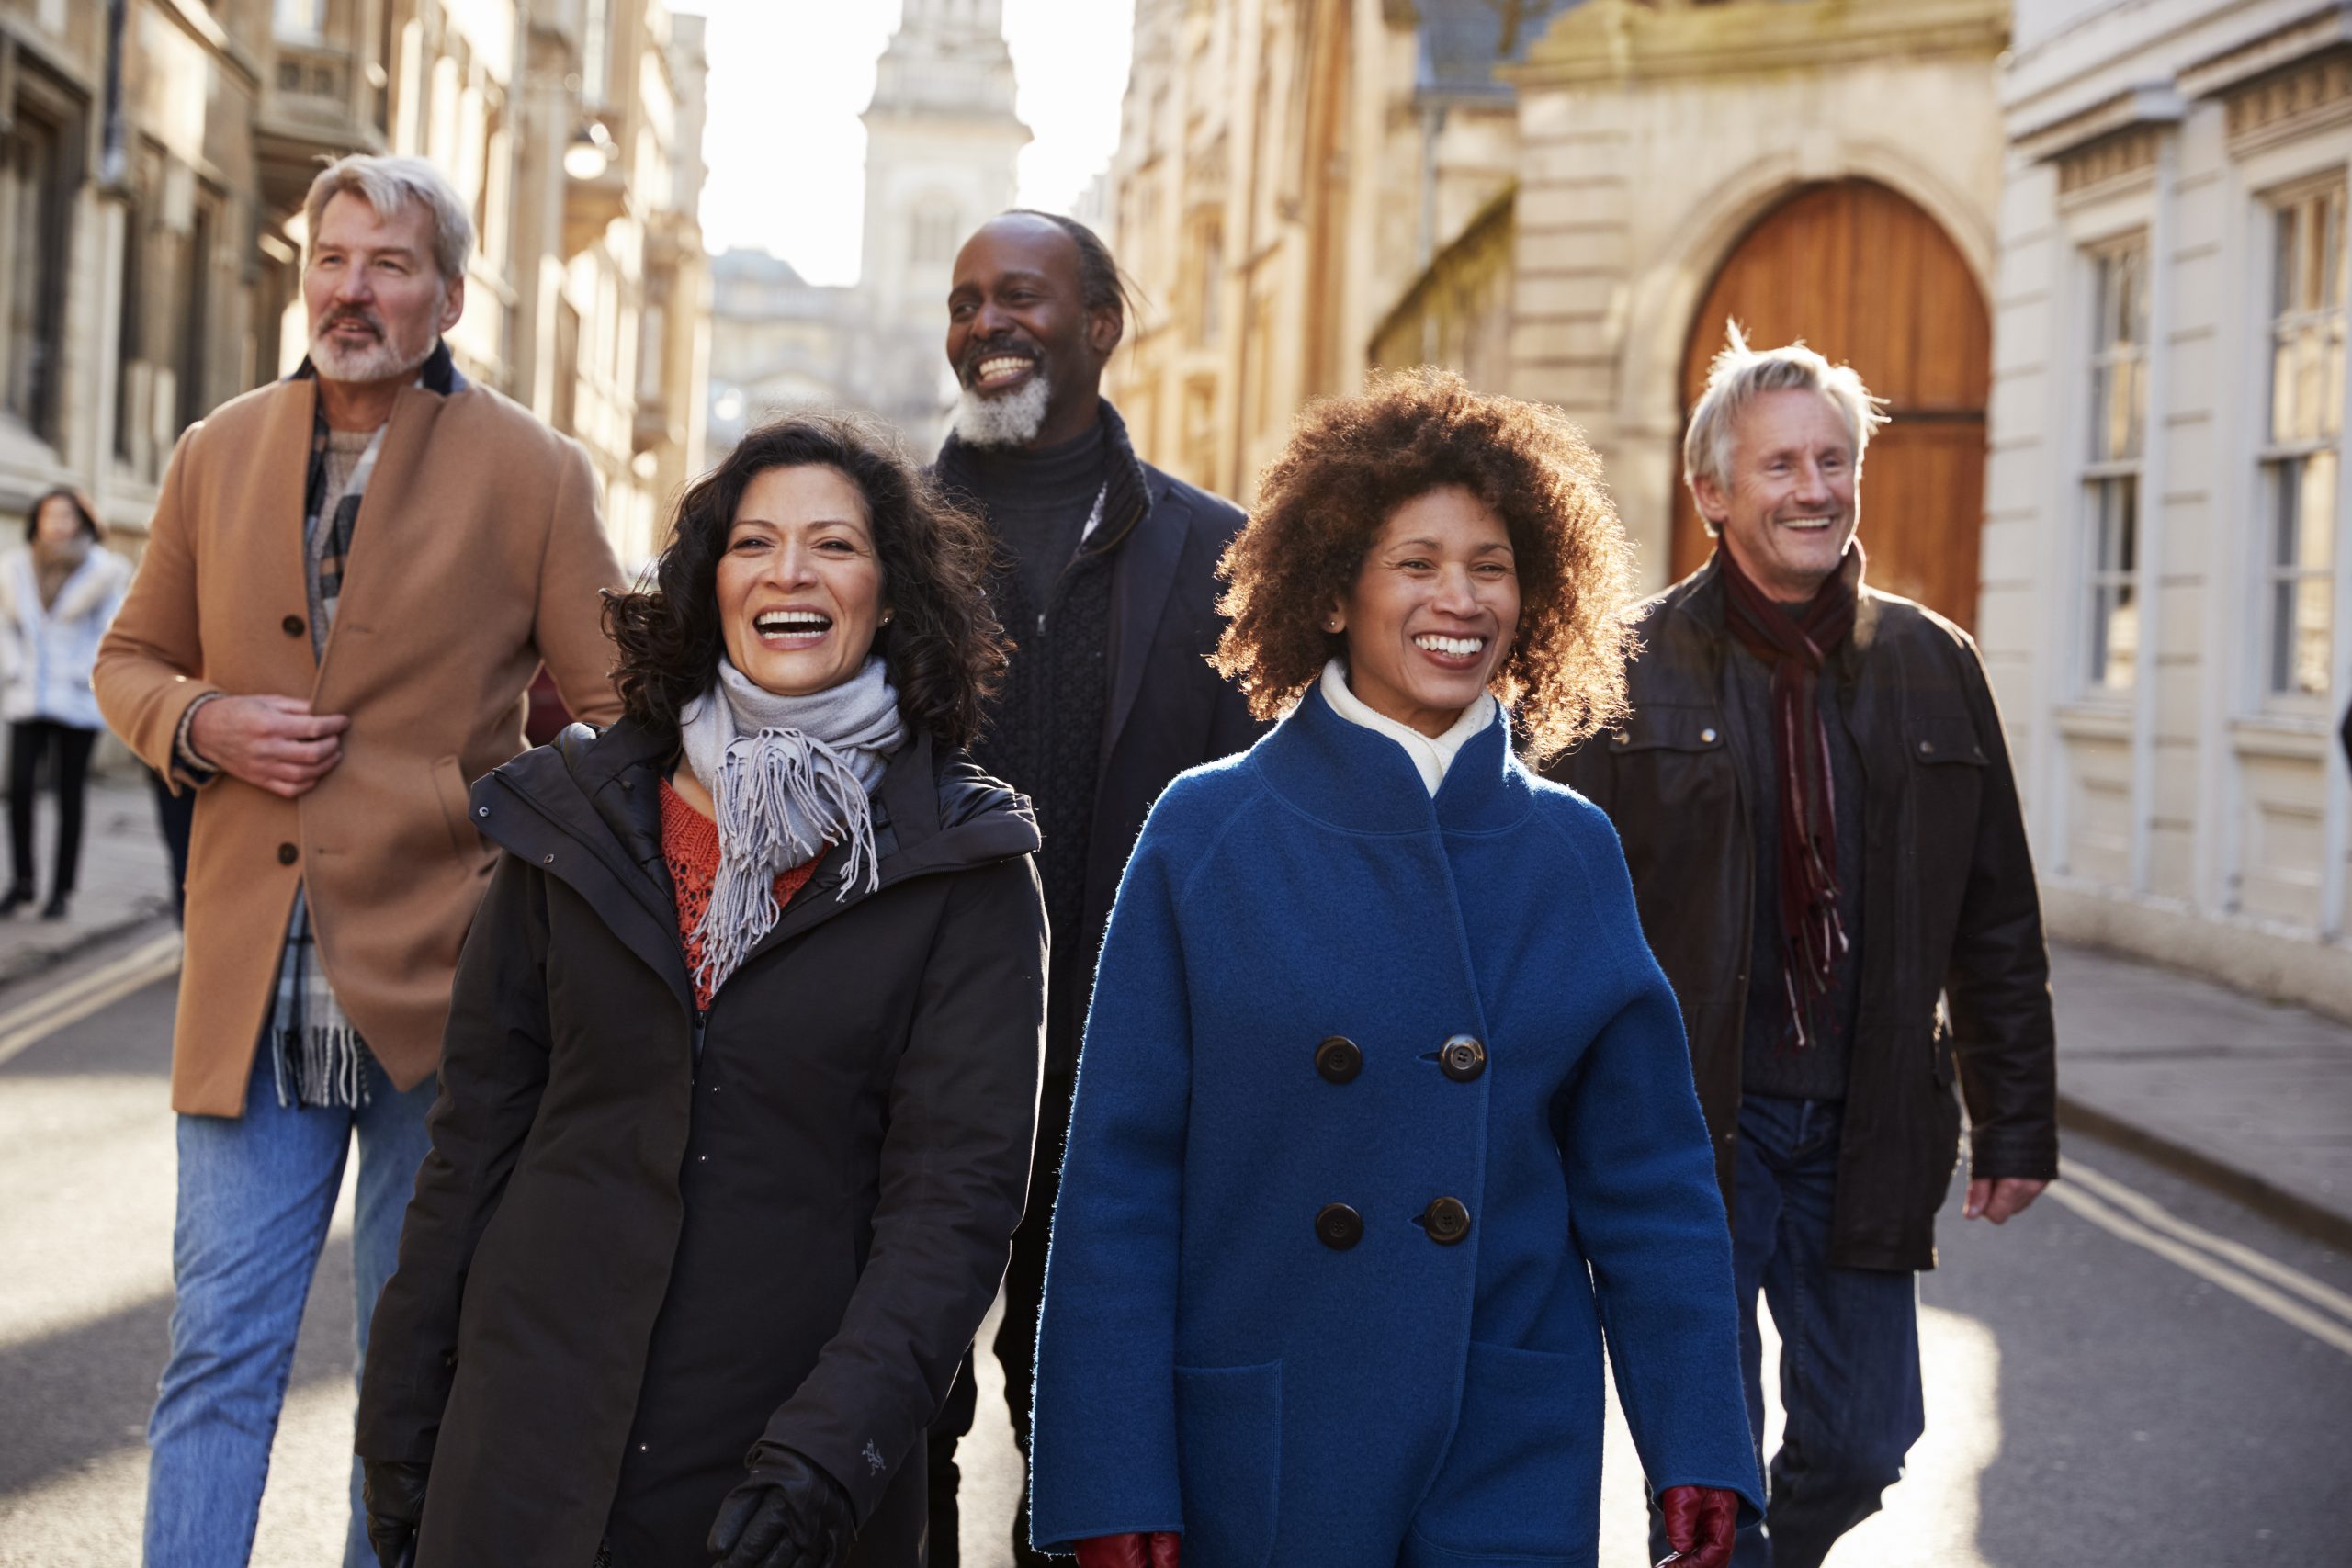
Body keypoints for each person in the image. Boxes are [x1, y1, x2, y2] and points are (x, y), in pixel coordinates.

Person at [1029, 368, 1763, 1568]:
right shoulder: (1207, 832)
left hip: (1507, 1435)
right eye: (1415, 561)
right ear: (1332, 591)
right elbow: (1117, 1180)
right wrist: (1110, 1468)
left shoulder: (1569, 848)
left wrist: (1699, 1440)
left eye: (1491, 565)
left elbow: (1651, 1180)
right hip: (1265, 1438)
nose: (1458, 598)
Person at [355, 413, 1049, 1568]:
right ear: (708, 583)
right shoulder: (570, 817)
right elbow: (474, 1145)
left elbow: (953, 1209)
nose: (790, 571)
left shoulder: (965, 863)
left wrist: (828, 1461)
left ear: (890, 594)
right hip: (526, 1453)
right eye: (753, 543)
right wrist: (400, 1422)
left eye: (834, 545)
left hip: (777, 1480)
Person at [93, 153, 628, 1567]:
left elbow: (627, 716)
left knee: (411, 1370)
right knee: (217, 1353)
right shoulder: (217, 448)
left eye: (390, 264)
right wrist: (203, 719)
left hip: (444, 989)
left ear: (449, 297)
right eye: (333, 258)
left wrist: (491, 813)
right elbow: (130, 658)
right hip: (250, 990)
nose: (353, 289)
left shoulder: (534, 470)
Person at [1551, 330, 2059, 1568]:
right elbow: (1551, 923)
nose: (1815, 487)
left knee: (1868, 1435)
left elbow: (1996, 914)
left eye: (1834, 459)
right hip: (1689, 1130)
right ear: (1713, 491)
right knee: (1708, 1470)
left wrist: (2017, 1122)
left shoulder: (1936, 665)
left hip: (1866, 1119)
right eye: (1780, 464)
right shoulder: (1618, 671)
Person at [925, 209, 1260, 1566]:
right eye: (964, 302)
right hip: (917, 1063)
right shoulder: (879, 537)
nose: (987, 323)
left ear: (1103, 326)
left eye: (1020, 296)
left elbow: (1264, 822)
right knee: (890, 1419)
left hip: (1127, 1072)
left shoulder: (1224, 554)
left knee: (1087, 1437)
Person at [0, 487, 131, 919]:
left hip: (76, 697)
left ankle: (61, 891)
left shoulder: (106, 572)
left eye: (66, 515)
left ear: (82, 520)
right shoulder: (14, 568)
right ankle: (22, 883)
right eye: (49, 515)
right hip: (28, 693)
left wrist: (84, 674)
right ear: (36, 519)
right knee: (20, 789)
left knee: (69, 795)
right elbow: (5, 628)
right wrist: (14, 667)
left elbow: (112, 632)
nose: (57, 523)